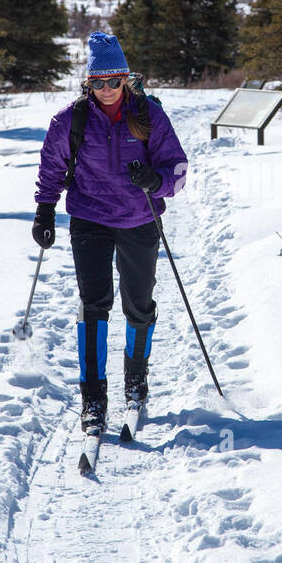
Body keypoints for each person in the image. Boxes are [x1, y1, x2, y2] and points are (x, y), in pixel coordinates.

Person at [32, 31, 189, 442]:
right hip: (90, 219)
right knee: (93, 304)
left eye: (112, 81)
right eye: (97, 83)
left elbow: (178, 169)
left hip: (139, 218)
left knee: (139, 304)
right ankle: (93, 398)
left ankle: (136, 382)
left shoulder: (149, 115)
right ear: (88, 83)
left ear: (125, 79)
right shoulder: (71, 120)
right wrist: (44, 211)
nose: (105, 90)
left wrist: (156, 180)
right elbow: (51, 169)